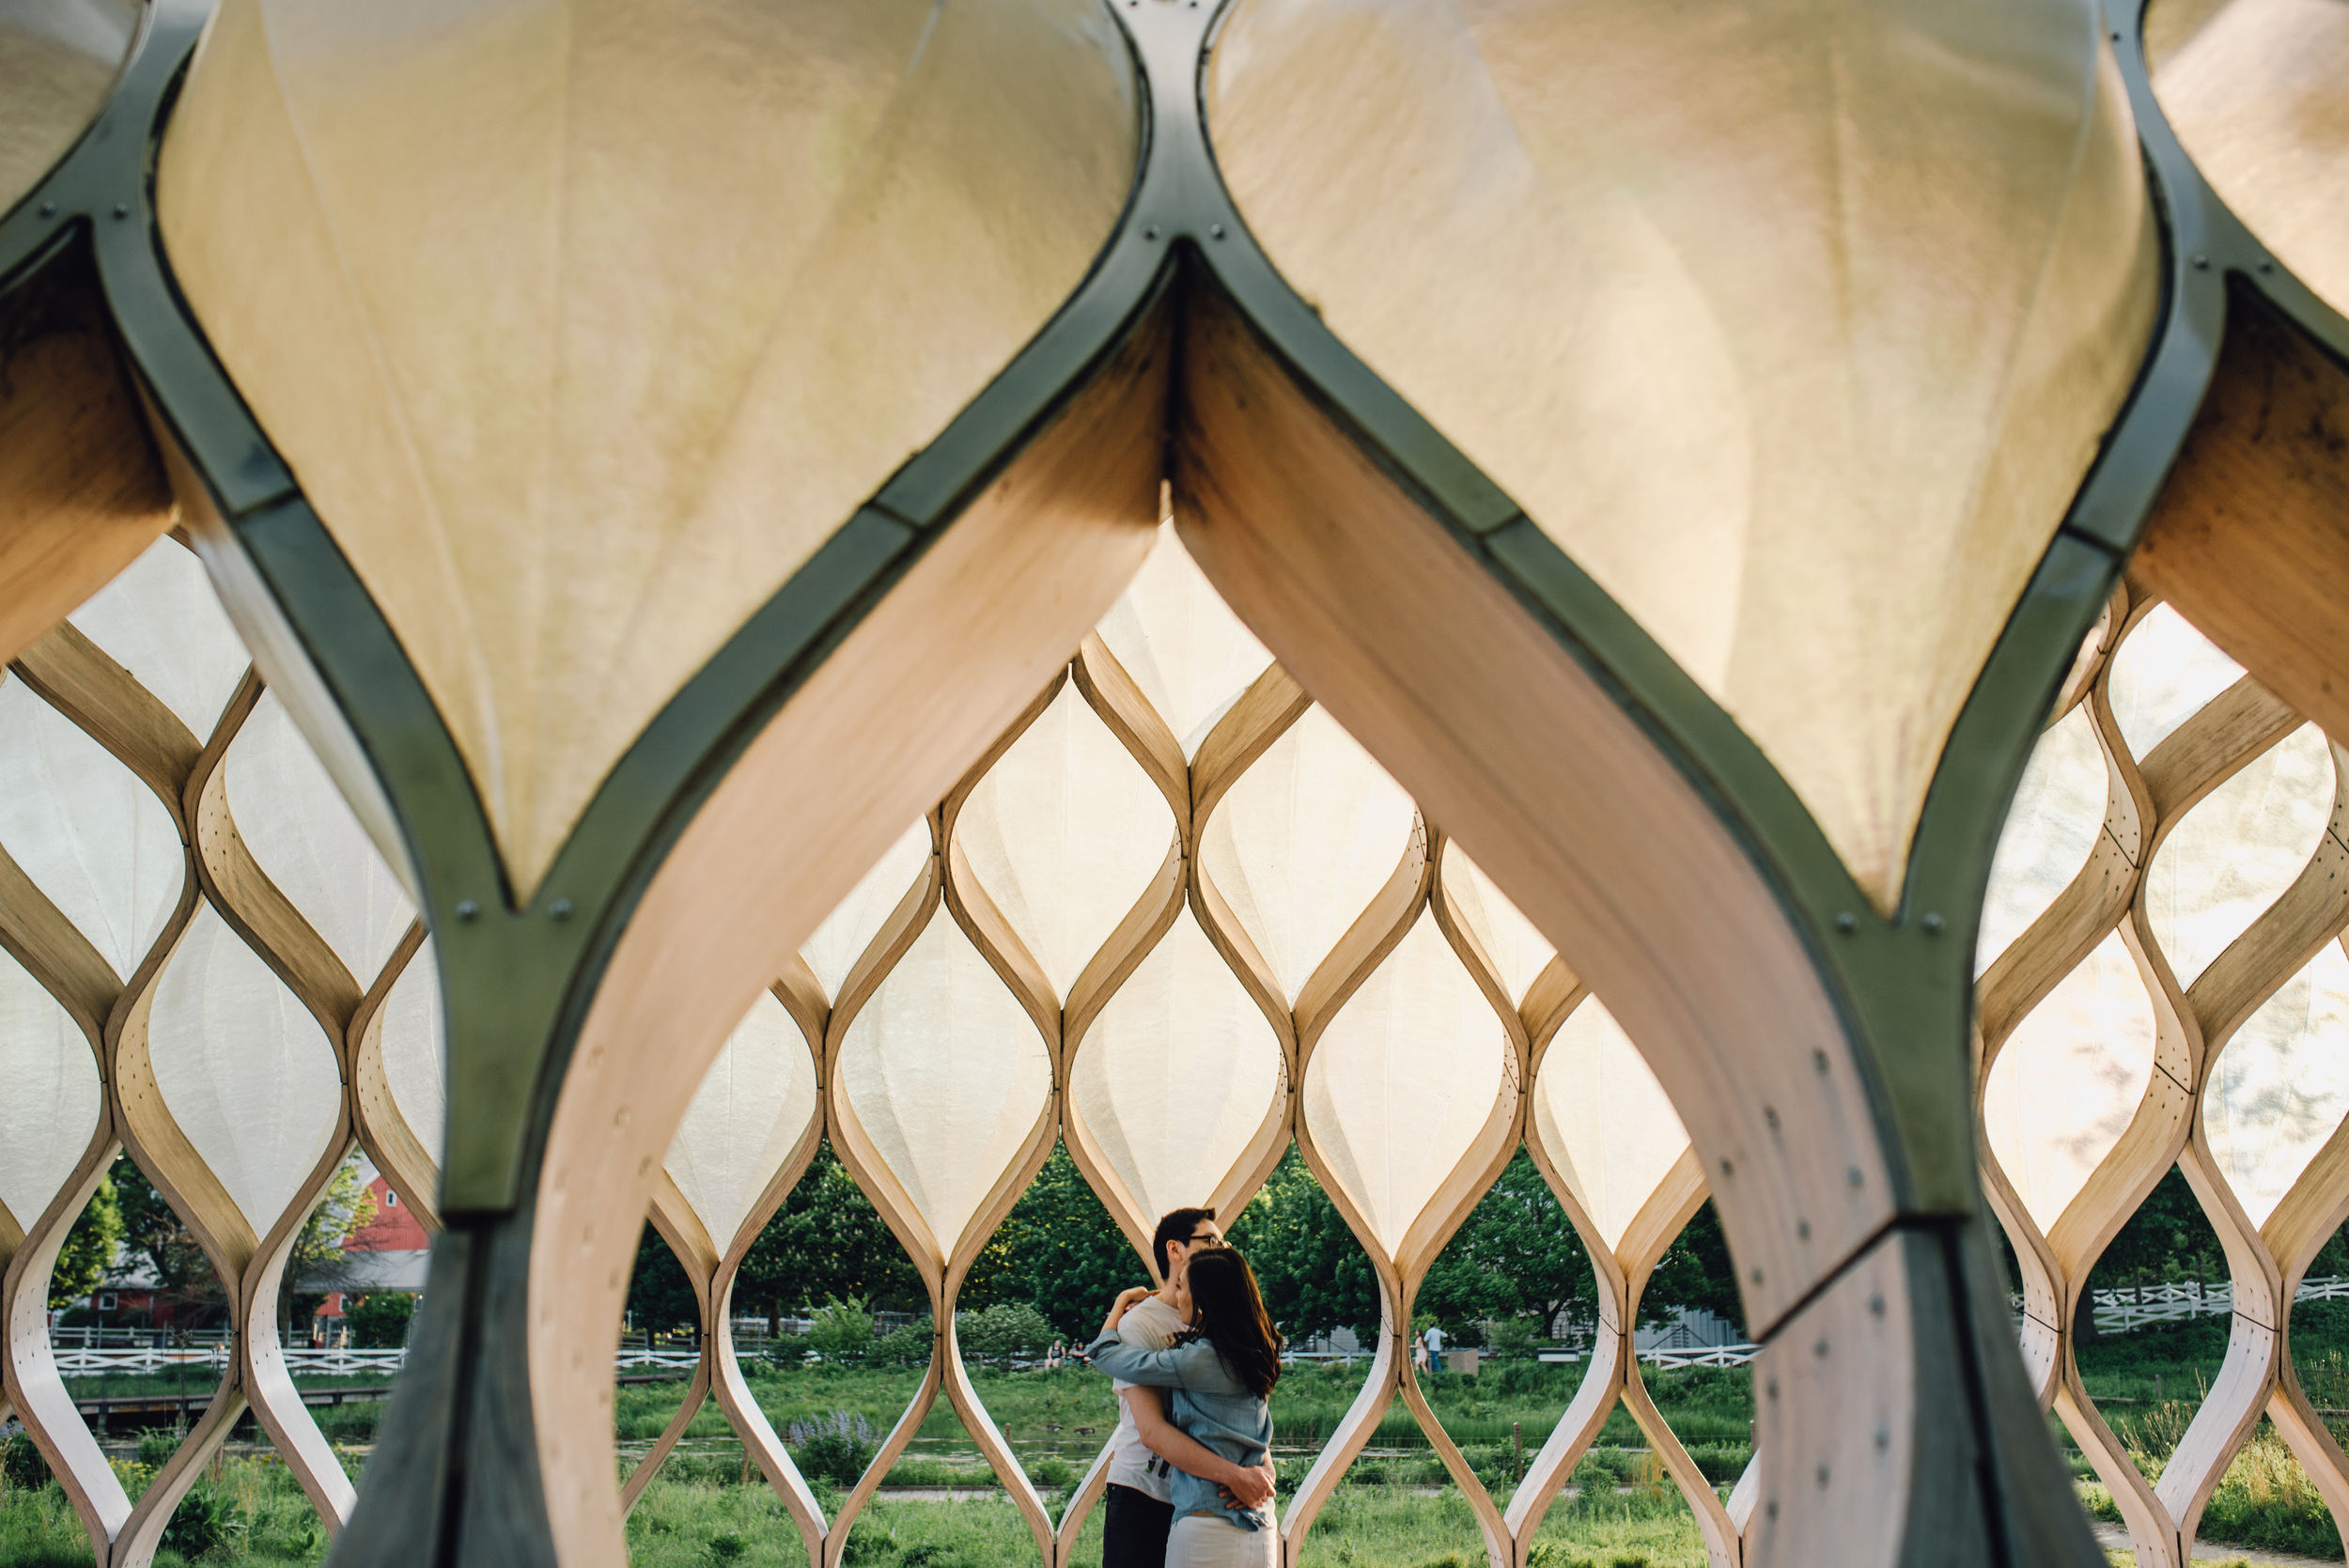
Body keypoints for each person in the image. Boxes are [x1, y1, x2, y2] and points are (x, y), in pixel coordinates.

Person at [1098, 1209, 1274, 1568]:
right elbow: (1152, 1431)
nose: (1220, 1247)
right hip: (1145, 1491)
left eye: (1223, 1242)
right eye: (1210, 1240)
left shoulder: (1219, 1320)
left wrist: (1262, 1473)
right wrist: (1237, 1476)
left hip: (1205, 1496)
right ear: (1174, 1250)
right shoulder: (1140, 1323)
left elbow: (1246, 1412)